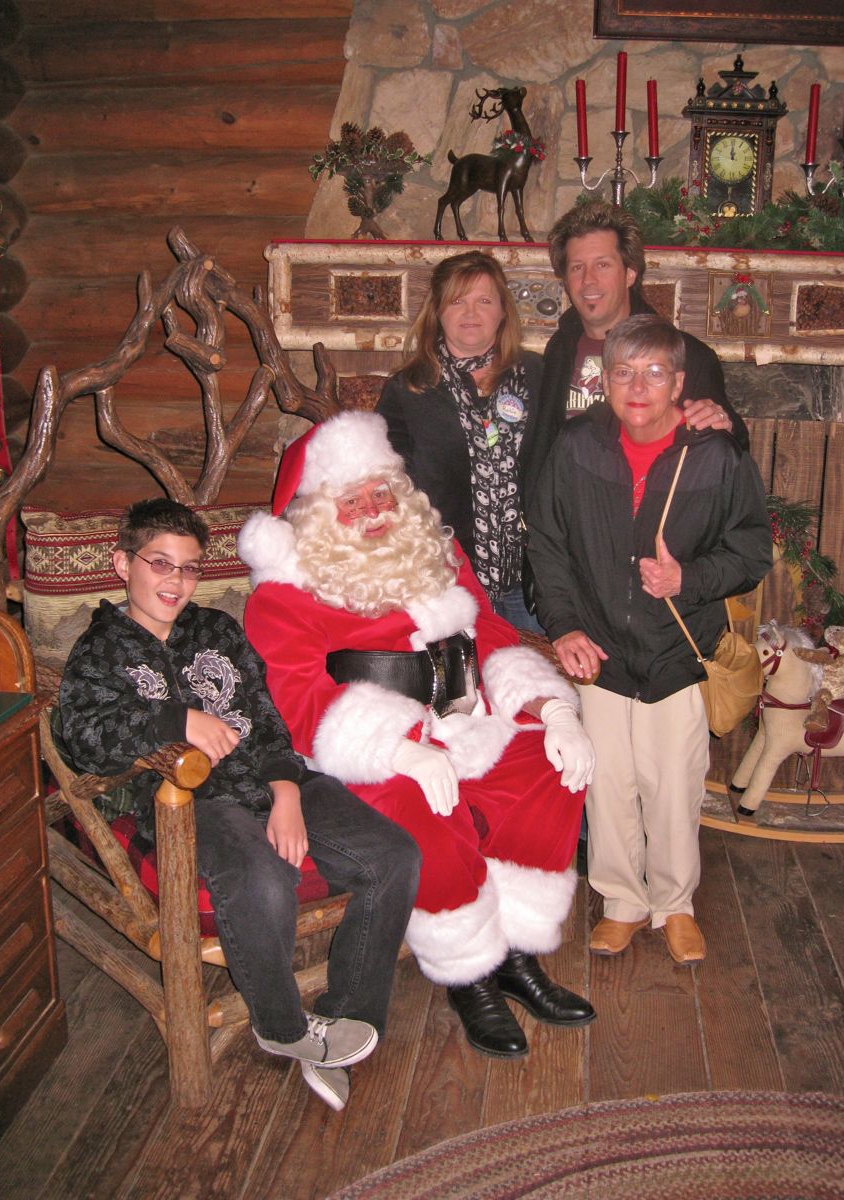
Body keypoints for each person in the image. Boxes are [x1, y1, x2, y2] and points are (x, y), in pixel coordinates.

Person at [239, 410, 597, 1059]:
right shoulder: (283, 595)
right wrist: (400, 750)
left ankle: (516, 953)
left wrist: (551, 709)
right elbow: (300, 701)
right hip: (365, 755)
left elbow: (492, 633)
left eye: (381, 493)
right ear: (317, 513)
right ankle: (470, 972)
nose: (374, 512)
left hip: (467, 719)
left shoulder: (436, 552)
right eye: (352, 502)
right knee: (418, 802)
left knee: (548, 765)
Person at [59, 499, 420, 1113]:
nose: (176, 581)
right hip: (192, 800)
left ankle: (345, 1019)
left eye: (190, 568)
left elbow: (266, 715)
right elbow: (80, 738)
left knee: (393, 856)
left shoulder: (218, 630)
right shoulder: (100, 651)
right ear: (123, 564)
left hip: (272, 780)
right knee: (263, 880)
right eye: (160, 563)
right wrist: (176, 720)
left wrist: (287, 790)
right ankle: (282, 1027)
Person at [527, 315, 771, 965]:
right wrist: (565, 625)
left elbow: (752, 551)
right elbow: (547, 542)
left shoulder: (715, 455)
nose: (638, 387)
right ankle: (622, 903)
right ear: (603, 381)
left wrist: (689, 578)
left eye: (654, 373)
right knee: (608, 786)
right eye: (624, 372)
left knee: (674, 788)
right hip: (601, 651)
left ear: (679, 383)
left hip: (677, 654)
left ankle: (674, 904)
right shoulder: (577, 447)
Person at [527, 200, 749, 521]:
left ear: (630, 273)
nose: (588, 280)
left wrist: (725, 425)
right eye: (577, 267)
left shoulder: (687, 356)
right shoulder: (560, 348)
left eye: (603, 265)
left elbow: (729, 452)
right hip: (571, 529)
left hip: (651, 531)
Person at [376, 250, 543, 632]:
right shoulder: (409, 388)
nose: (471, 313)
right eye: (457, 301)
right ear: (438, 311)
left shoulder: (537, 374)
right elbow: (388, 484)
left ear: (503, 311)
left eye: (484, 300)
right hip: (446, 577)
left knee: (537, 668)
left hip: (529, 576)